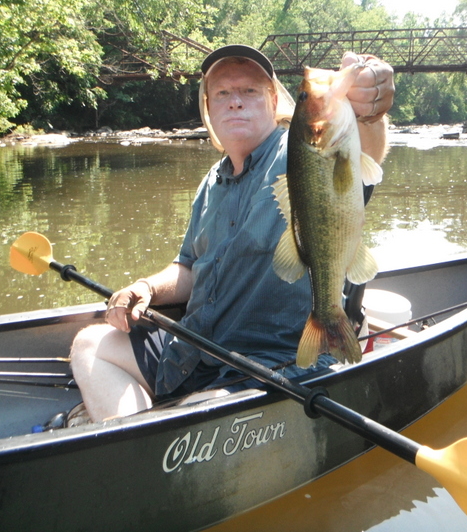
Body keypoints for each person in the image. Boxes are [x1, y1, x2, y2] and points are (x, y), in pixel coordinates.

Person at [69, 45, 395, 422]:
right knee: (90, 343)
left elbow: (363, 152)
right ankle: (133, 434)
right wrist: (146, 288)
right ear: (209, 107)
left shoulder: (301, 151)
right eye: (223, 93)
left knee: (196, 414)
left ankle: (147, 432)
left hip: (273, 361)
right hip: (196, 351)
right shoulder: (212, 181)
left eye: (249, 91)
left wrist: (370, 111)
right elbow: (189, 267)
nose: (235, 102)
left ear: (274, 101)